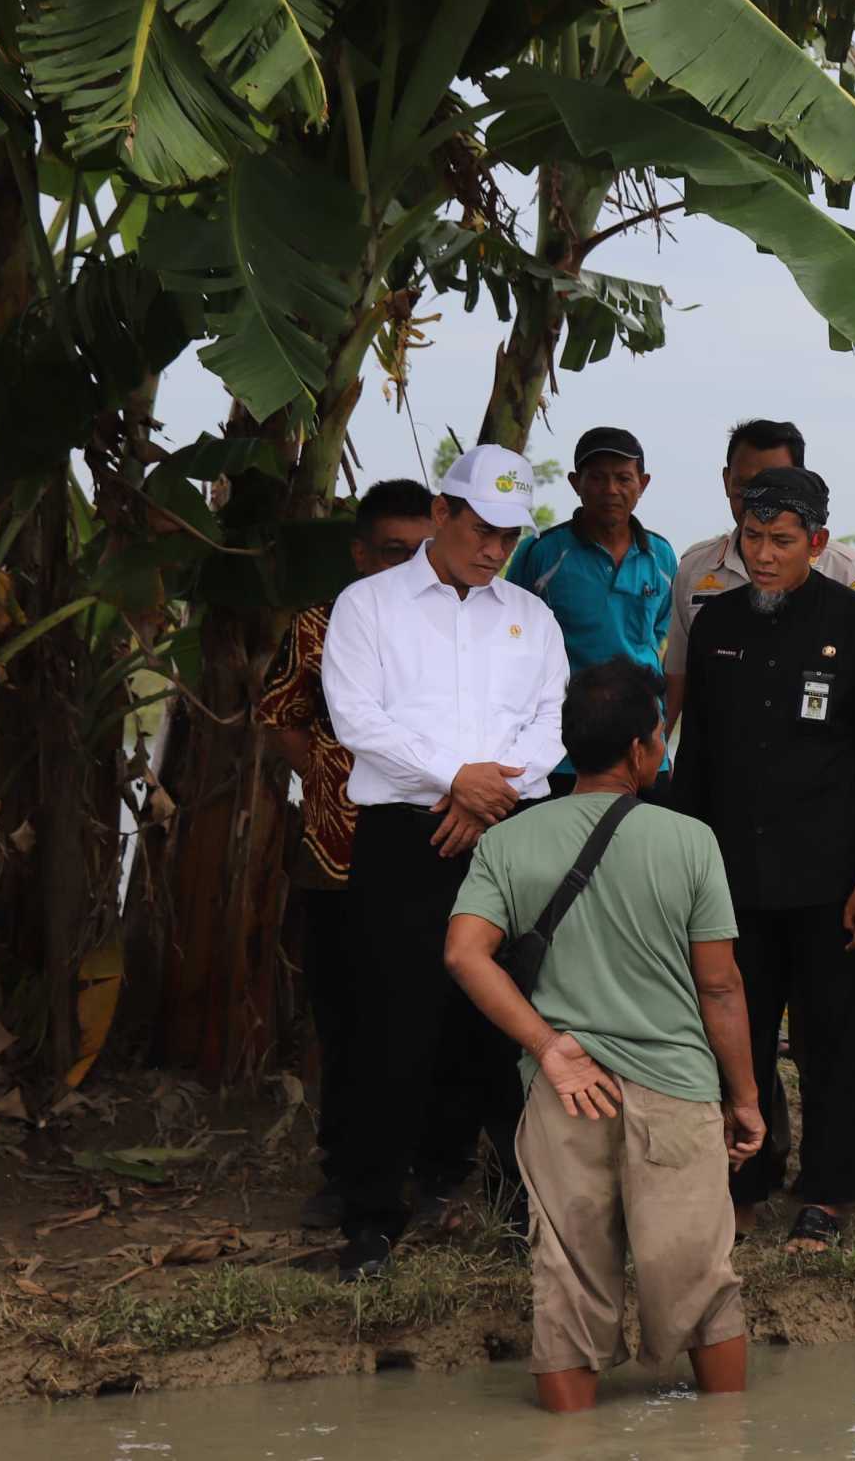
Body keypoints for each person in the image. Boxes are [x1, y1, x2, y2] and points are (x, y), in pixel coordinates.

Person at [443, 659, 766, 1413]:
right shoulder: (690, 841)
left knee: (568, 1288)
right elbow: (720, 985)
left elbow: (464, 952)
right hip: (677, 1093)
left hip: (564, 1094)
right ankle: (724, 1437)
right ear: (636, 749)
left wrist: (548, 1045)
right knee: (702, 1283)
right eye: (658, 735)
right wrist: (745, 1097)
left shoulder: (508, 843)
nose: (661, 748)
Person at [320, 445, 569, 1281]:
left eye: (509, 533)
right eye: (482, 528)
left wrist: (486, 792)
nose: (496, 547)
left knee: (506, 1021)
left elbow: (548, 728)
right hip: (405, 833)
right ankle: (372, 1220)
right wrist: (452, 778)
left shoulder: (531, 617)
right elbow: (356, 717)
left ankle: (517, 1202)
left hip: (507, 831)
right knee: (392, 1019)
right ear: (443, 511)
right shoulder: (368, 606)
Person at [666, 466, 855, 1254]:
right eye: (753, 538)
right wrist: (681, 869)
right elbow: (693, 756)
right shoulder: (716, 622)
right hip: (730, 879)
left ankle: (829, 1192)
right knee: (736, 1037)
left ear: (818, 543)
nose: (764, 555)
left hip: (831, 879)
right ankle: (743, 1182)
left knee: (832, 1038)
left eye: (782, 541)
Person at [254, 477, 435, 1230]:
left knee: (434, 1016)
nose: (408, 566)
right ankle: (345, 1172)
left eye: (423, 551)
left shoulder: (454, 628)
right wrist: (327, 774)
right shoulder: (318, 627)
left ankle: (436, 1166)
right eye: (393, 552)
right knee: (346, 1020)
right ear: (360, 553)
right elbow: (282, 714)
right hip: (339, 855)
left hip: (436, 851)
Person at [664, 420, 855, 736]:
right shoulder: (696, 569)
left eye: (775, 483)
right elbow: (680, 683)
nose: (761, 498)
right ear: (727, 481)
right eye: (746, 487)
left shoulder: (848, 570)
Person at [507, 428, 678, 797]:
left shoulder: (662, 557)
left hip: (643, 749)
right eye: (597, 477)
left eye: (623, 478)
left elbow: (660, 630)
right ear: (575, 483)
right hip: (564, 749)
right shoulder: (542, 555)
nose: (611, 489)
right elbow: (513, 641)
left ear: (643, 483)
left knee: (641, 851)